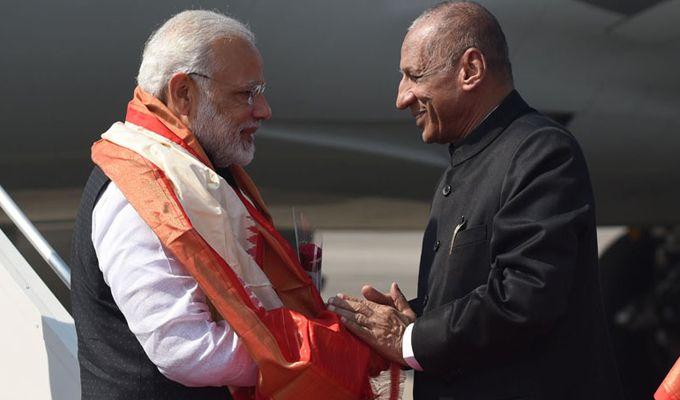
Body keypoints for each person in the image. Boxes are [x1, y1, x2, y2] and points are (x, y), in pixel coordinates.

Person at [71, 10, 387, 400]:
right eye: (246, 94)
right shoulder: (137, 187)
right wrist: (317, 350)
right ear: (184, 93)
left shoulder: (197, 170)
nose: (263, 110)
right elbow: (183, 348)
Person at [328, 2, 623, 399]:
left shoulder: (541, 152)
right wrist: (415, 316)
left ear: (470, 70)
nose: (402, 97)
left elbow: (524, 298)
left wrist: (411, 338)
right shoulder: (469, 160)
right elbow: (478, 292)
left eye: (414, 76)